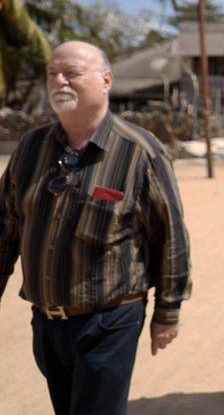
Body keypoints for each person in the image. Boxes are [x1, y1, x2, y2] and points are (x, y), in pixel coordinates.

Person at [0, 41, 191, 415]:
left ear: (106, 80)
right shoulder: (31, 147)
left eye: (71, 72)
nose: (59, 81)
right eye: (52, 73)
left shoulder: (139, 152)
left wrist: (167, 312)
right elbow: (4, 228)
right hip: (46, 322)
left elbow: (170, 236)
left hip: (109, 322)